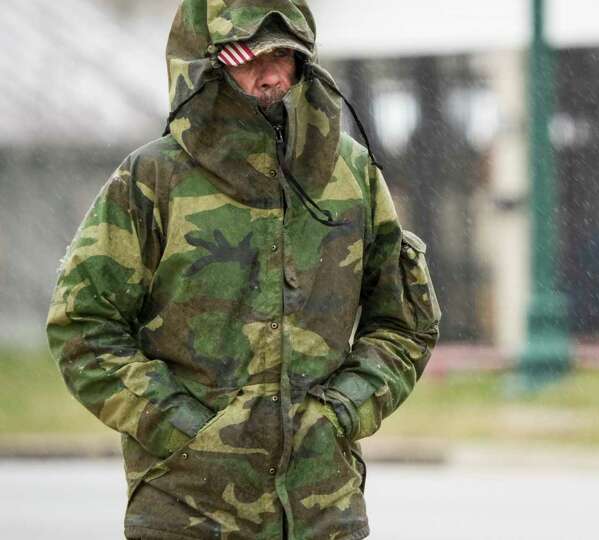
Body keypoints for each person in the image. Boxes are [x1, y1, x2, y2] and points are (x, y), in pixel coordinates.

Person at [45, 1, 441, 538]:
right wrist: (183, 428)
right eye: (251, 56)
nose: (272, 74)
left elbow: (404, 322)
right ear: (210, 62)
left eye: (286, 56)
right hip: (188, 512)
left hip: (320, 511)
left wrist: (343, 411)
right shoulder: (152, 179)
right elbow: (83, 326)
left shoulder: (350, 175)